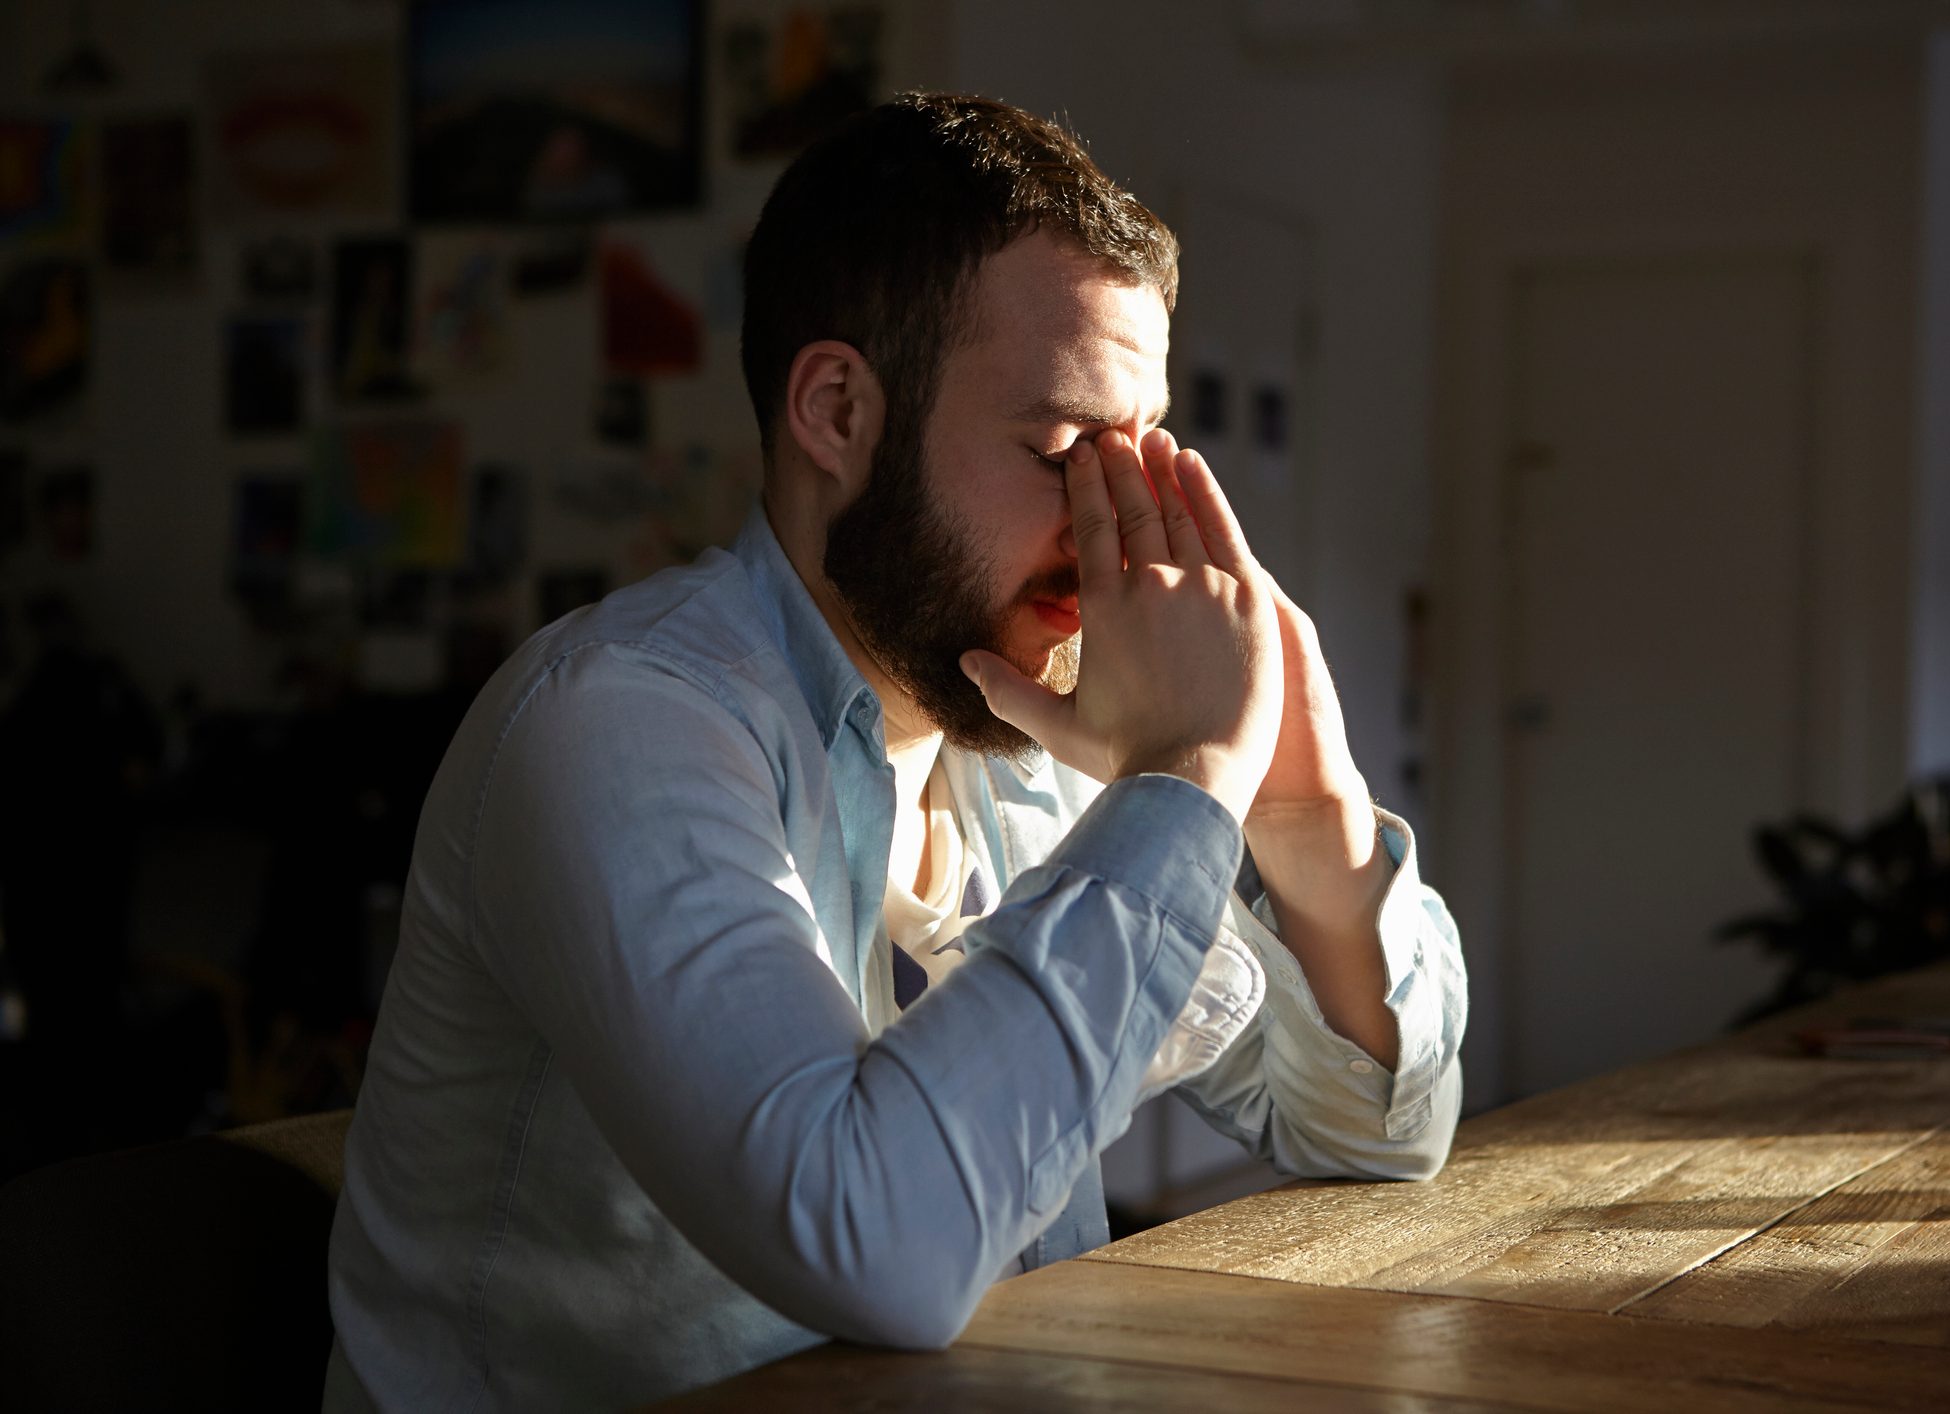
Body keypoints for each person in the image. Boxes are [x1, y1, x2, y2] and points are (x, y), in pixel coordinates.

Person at [323, 93, 1467, 1411]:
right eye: (1059, 451)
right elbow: (877, 1247)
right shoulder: (615, 727)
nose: (1115, 528)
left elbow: (1374, 1127)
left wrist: (1303, 811)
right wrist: (1187, 776)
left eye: (1134, 456)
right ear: (836, 410)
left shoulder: (1029, 733)